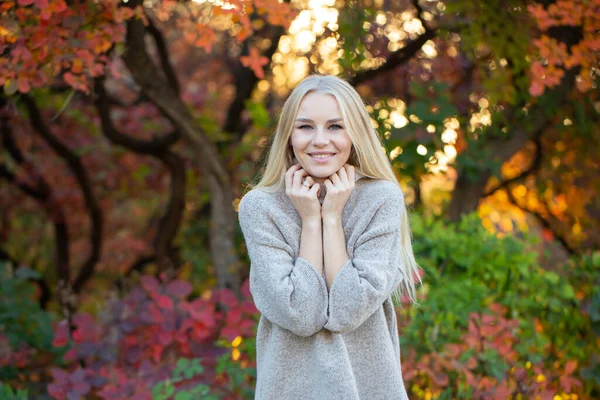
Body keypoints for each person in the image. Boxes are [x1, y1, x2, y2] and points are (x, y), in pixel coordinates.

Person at [237, 74, 421, 400]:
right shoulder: (260, 208)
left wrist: (332, 217)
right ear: (289, 135)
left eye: (335, 126)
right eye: (305, 126)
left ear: (355, 134)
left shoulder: (381, 199)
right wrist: (311, 220)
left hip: (369, 390)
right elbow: (301, 314)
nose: (320, 140)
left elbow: (349, 311)